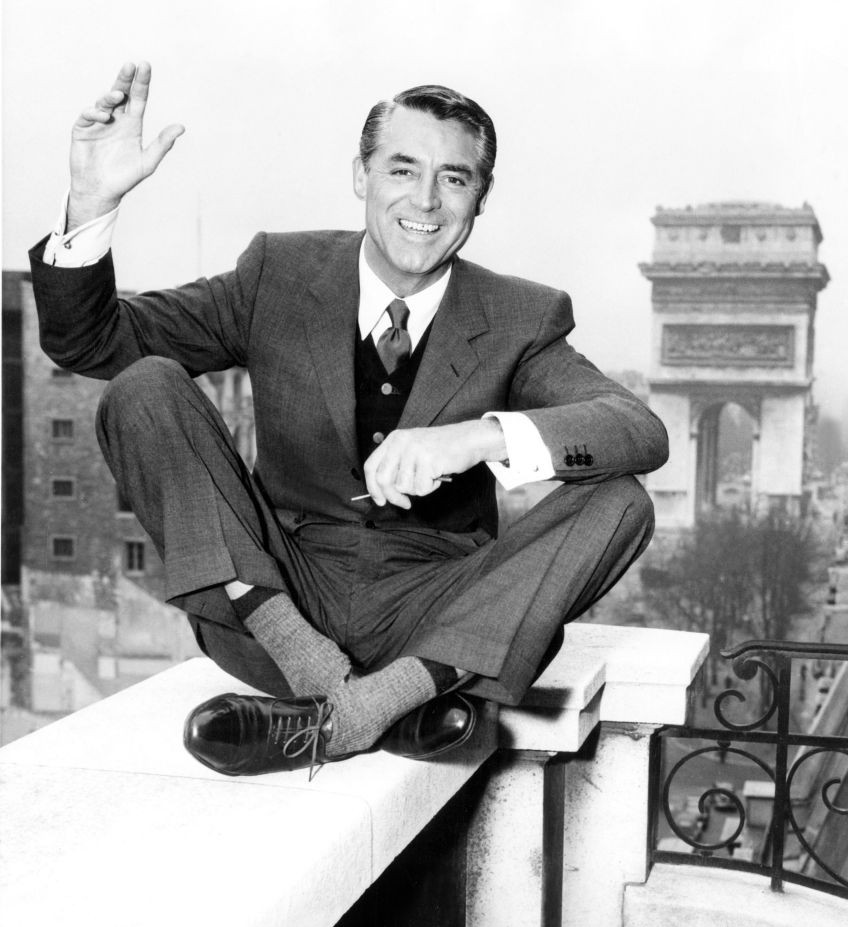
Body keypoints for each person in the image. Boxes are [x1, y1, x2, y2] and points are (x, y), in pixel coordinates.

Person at [30, 62, 668, 777]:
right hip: (273, 601)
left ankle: (350, 715)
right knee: (143, 386)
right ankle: (371, 707)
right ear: (360, 176)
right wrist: (90, 201)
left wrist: (479, 436)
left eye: (454, 179)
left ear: (479, 199)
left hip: (434, 618)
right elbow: (94, 343)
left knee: (621, 499)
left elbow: (638, 430)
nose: (425, 200)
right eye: (402, 169)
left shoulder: (521, 317)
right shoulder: (279, 273)